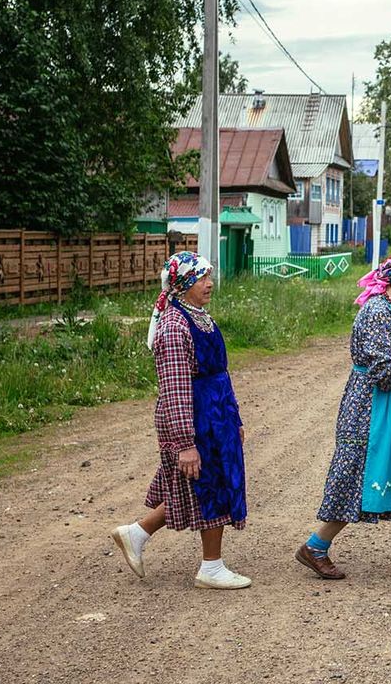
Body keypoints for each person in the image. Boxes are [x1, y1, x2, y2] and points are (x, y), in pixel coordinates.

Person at [296, 253, 391, 578]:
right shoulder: (378, 312)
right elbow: (382, 369)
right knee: (360, 474)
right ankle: (315, 546)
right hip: (372, 411)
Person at [111, 252, 250, 589]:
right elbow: (174, 390)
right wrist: (185, 443)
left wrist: (234, 418)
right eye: (202, 278)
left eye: (209, 277)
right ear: (184, 283)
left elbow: (219, 373)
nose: (209, 284)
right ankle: (211, 568)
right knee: (208, 485)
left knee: (191, 486)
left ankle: (136, 534)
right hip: (194, 419)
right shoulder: (174, 327)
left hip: (216, 416)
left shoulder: (199, 316)